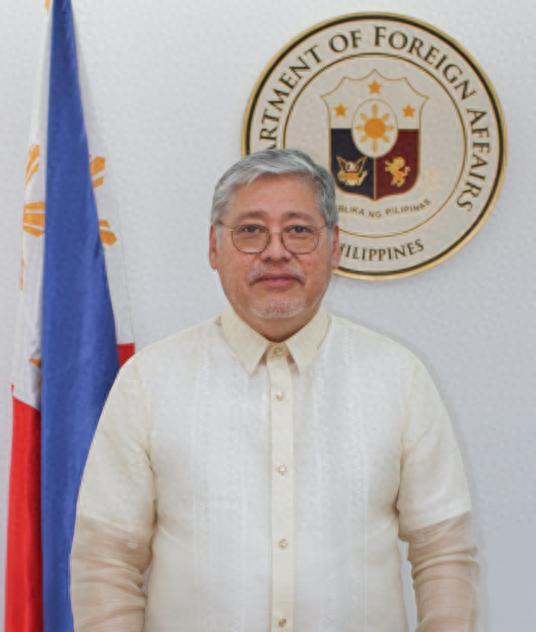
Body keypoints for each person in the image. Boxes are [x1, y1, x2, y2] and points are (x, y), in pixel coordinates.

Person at [70, 149, 479, 631]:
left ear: (335, 246)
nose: (276, 251)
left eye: (299, 230)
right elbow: (107, 562)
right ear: (213, 247)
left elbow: (443, 554)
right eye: (251, 230)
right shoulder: (149, 382)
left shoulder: (398, 378)